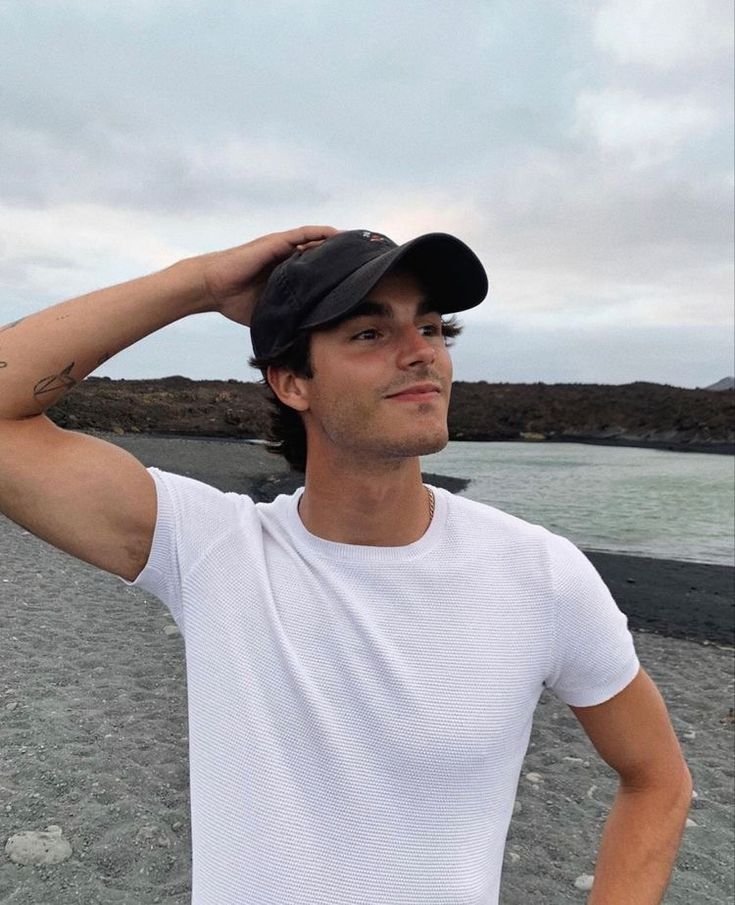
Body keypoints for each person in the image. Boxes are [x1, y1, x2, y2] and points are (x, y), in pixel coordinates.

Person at [0, 226, 692, 905]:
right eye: (370, 333)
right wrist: (200, 282)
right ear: (291, 381)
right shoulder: (211, 548)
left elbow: (656, 777)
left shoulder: (541, 574)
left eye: (432, 328)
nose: (420, 353)